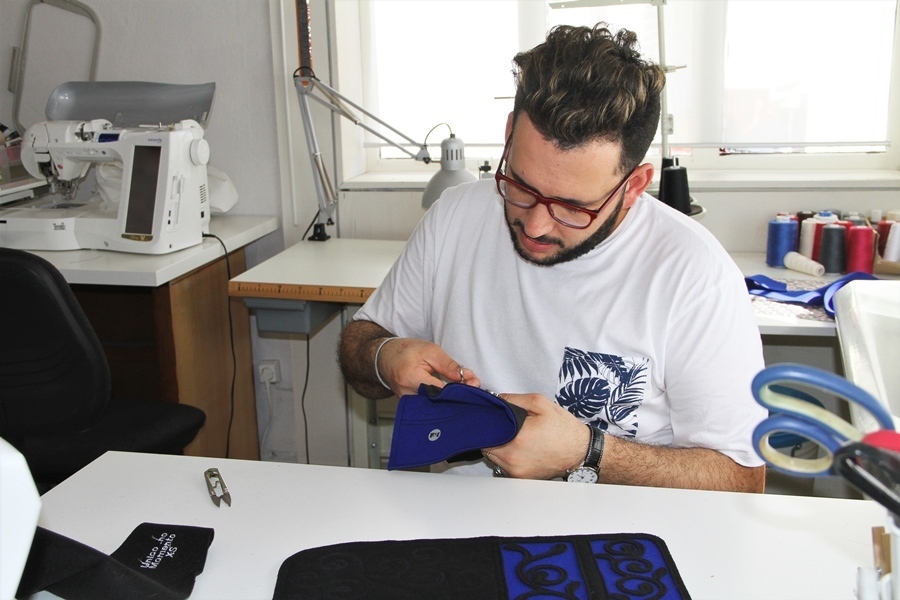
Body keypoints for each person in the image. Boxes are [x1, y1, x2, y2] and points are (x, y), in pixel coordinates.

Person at [339, 23, 767, 492]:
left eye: (572, 206)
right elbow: (361, 343)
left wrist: (589, 452)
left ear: (634, 187)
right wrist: (384, 357)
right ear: (508, 135)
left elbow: (743, 479)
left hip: (617, 530)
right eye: (521, 186)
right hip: (457, 515)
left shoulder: (695, 275)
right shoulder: (455, 217)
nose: (536, 225)